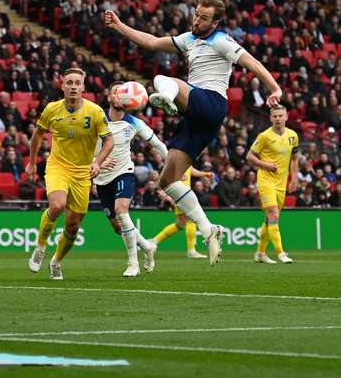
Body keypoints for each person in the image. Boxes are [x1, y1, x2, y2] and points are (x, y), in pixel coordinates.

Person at [103, 0, 282, 264]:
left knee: (162, 79)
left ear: (216, 22)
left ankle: (165, 98)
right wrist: (119, 26)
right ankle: (209, 230)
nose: (197, 20)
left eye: (203, 18)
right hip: (197, 116)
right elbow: (151, 42)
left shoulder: (222, 41)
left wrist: (275, 88)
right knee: (168, 179)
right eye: (196, 15)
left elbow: (253, 64)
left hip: (210, 102)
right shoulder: (189, 38)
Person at [26, 68, 114, 280]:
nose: (73, 86)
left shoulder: (95, 112)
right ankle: (40, 247)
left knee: (73, 226)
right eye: (69, 82)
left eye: (77, 83)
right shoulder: (52, 110)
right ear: (62, 86)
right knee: (57, 205)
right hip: (58, 166)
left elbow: (109, 141)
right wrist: (31, 163)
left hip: (83, 172)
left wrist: (97, 162)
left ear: (83, 87)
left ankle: (56, 262)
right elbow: (37, 135)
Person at [95, 82, 167, 277]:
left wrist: (175, 165)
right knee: (118, 227)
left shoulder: (135, 123)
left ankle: (132, 263)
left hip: (123, 171)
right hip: (100, 178)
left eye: (123, 92)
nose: (120, 95)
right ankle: (147, 246)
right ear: (110, 98)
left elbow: (158, 145)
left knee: (121, 211)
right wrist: (96, 161)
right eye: (116, 92)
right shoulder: (96, 117)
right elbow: (79, 147)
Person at [247, 105, 299, 264]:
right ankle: (281, 253)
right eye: (275, 116)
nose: (278, 118)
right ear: (270, 118)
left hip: (281, 183)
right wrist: (265, 165)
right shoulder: (264, 136)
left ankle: (260, 253)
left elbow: (294, 159)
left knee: (270, 219)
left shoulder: (293, 136)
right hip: (266, 180)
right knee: (274, 215)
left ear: (286, 117)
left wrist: (294, 178)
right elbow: (250, 156)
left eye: (280, 115)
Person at [153, 167, 214, 259]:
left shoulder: (185, 161)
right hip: (182, 194)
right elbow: (169, 175)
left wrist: (204, 174)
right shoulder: (179, 159)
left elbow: (191, 170)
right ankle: (191, 251)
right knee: (191, 221)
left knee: (180, 224)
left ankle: (154, 241)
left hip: (180, 194)